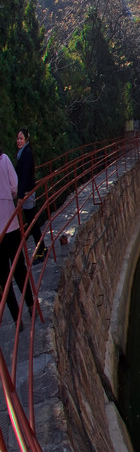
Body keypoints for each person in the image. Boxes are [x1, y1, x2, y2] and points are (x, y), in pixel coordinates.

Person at [0, 150, 34, 322]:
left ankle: (16, 319)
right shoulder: (4, 159)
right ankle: (31, 305)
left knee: (3, 278)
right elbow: (15, 187)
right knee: (19, 268)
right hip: (9, 223)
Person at [14, 129, 46, 262]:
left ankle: (41, 252)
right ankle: (42, 249)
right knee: (33, 221)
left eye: (21, 138)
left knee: (32, 222)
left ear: (26, 139)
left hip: (27, 192)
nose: (19, 141)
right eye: (18, 138)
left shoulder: (26, 153)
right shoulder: (24, 152)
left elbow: (25, 175)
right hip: (27, 190)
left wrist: (20, 196)